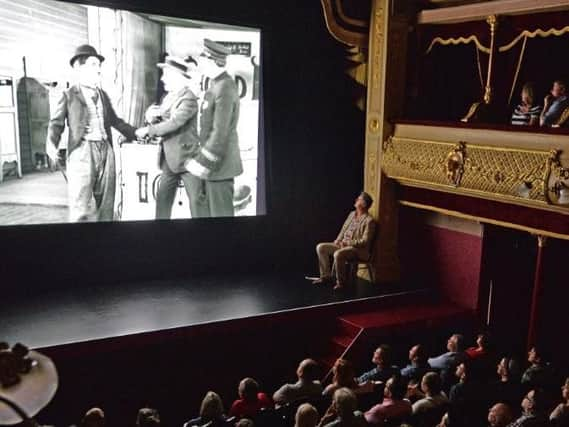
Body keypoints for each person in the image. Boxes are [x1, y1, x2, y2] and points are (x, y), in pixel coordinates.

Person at [47, 44, 136, 222]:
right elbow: (56, 124)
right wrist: (51, 145)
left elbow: (116, 121)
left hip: (106, 150)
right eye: (94, 65)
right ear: (79, 67)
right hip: (82, 152)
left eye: (99, 65)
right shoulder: (69, 95)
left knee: (107, 204)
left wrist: (136, 133)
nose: (99, 70)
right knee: (80, 205)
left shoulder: (102, 94)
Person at [135, 56, 208, 220]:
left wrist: (149, 129)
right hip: (169, 160)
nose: (162, 79)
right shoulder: (168, 98)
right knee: (162, 200)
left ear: (178, 77)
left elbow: (175, 122)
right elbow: (162, 117)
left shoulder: (189, 99)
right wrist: (150, 117)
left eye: (166, 75)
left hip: (188, 159)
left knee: (197, 203)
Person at [185, 39, 243, 217]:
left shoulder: (225, 87)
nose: (201, 66)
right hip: (213, 168)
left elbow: (220, 132)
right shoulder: (216, 84)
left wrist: (203, 163)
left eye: (203, 61)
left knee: (221, 219)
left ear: (214, 61)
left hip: (220, 168)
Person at [312, 192, 377, 290]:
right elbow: (344, 229)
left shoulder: (369, 221)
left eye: (358, 199)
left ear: (363, 204)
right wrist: (338, 240)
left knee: (338, 254)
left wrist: (347, 243)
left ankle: (341, 283)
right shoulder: (352, 214)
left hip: (357, 250)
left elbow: (365, 241)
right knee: (321, 247)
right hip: (342, 245)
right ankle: (326, 276)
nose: (356, 200)